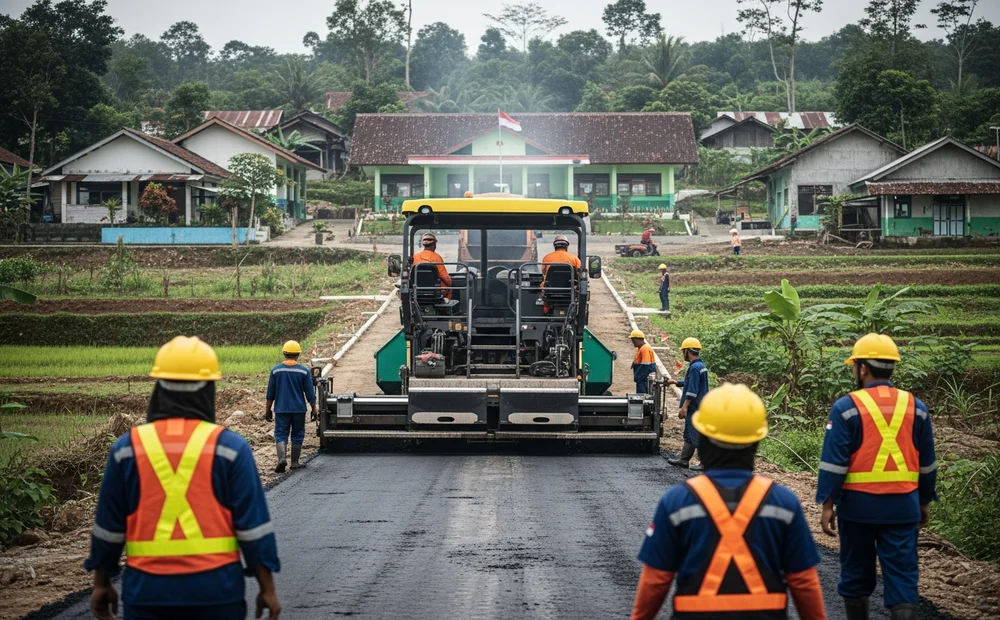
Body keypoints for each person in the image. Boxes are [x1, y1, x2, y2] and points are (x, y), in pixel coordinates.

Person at [85, 336, 281, 620]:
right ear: (208, 389)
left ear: (159, 388)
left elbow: (108, 527)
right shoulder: (230, 449)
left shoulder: (127, 450)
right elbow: (253, 528)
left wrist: (102, 584)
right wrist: (268, 589)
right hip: (217, 594)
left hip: (147, 595)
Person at [632, 383, 827, 620]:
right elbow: (803, 582)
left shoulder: (677, 502)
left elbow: (657, 580)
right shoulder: (783, 503)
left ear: (702, 439)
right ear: (756, 442)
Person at [817, 334, 937, 620]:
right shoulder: (915, 407)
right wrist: (923, 501)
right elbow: (927, 465)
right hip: (903, 507)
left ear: (862, 369)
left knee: (856, 574)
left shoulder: (846, 407)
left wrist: (827, 503)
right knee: (903, 576)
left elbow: (834, 464)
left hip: (858, 509)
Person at [265, 340, 317, 473]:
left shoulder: (276, 371)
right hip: (299, 409)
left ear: (284, 353)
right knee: (298, 434)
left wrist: (268, 410)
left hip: (281, 409)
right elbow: (310, 394)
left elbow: (270, 393)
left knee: (281, 433)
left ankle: (282, 459)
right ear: (298, 355)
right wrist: (314, 409)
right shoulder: (304, 372)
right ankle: (294, 462)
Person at [666, 338, 708, 471]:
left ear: (688, 351)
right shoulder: (700, 366)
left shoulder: (694, 368)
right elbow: (691, 383)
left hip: (695, 406)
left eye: (683, 351)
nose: (683, 354)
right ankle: (684, 460)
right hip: (701, 405)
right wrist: (676, 382)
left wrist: (684, 407)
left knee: (696, 433)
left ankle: (704, 463)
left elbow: (692, 390)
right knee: (689, 434)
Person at [541, 235, 582, 314]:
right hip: (569, 292)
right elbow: (579, 274)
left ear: (555, 246)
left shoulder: (547, 258)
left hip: (551, 291)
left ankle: (545, 310)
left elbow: (544, 272)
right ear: (566, 246)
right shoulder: (574, 259)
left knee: (540, 286)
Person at [412, 232, 452, 300]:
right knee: (450, 289)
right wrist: (450, 283)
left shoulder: (415, 257)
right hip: (435, 292)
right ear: (434, 245)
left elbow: (411, 274)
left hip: (417, 291)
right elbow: (445, 277)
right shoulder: (436, 257)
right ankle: (447, 309)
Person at [630, 329, 657, 395]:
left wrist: (639, 378)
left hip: (644, 379)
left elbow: (646, 366)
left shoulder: (645, 348)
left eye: (633, 340)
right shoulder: (639, 349)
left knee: (643, 396)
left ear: (638, 339)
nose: (633, 342)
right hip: (641, 379)